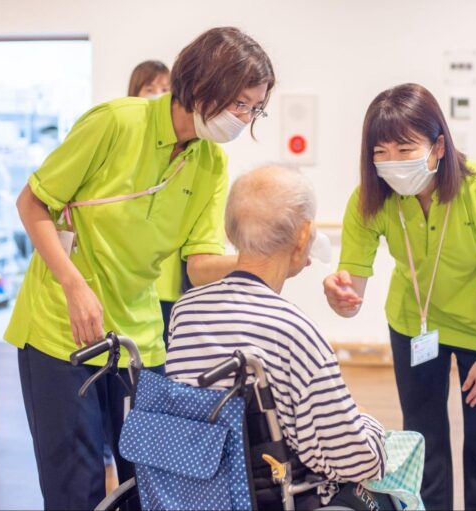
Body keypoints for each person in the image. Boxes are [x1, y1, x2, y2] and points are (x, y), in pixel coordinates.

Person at [5, 27, 274, 509]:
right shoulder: (116, 123)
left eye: (255, 109)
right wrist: (74, 285)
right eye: (240, 104)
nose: (245, 119)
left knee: (148, 485)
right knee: (77, 489)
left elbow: (199, 265)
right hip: (61, 329)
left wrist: (267, 260)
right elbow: (32, 203)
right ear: (204, 84)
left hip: (138, 339)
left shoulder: (211, 163)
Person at [323, 83, 476, 510]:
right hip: (414, 324)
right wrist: (340, 296)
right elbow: (352, 288)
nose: (393, 162)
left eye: (405, 149)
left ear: (438, 147)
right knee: (423, 440)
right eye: (381, 152)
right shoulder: (370, 199)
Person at [166, 165, 389, 509]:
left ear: (230, 230)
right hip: (272, 497)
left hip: (197, 491)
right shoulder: (295, 331)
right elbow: (357, 460)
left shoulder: (185, 311)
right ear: (304, 236)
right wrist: (370, 423)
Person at [127, 60, 182, 349]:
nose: (159, 95)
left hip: (171, 282)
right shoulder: (126, 142)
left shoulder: (188, 152)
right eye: (150, 89)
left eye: (165, 89)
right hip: (131, 280)